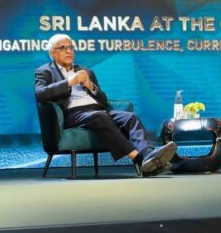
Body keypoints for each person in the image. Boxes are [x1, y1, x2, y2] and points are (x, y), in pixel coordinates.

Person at [34, 34, 177, 177]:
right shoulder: (45, 71)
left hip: (98, 110)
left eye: (71, 47)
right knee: (99, 117)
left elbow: (103, 101)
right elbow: (40, 94)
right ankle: (138, 159)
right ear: (52, 53)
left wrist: (91, 86)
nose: (69, 51)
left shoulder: (86, 71)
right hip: (73, 114)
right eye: (63, 48)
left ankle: (148, 154)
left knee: (130, 118)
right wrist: (69, 82)